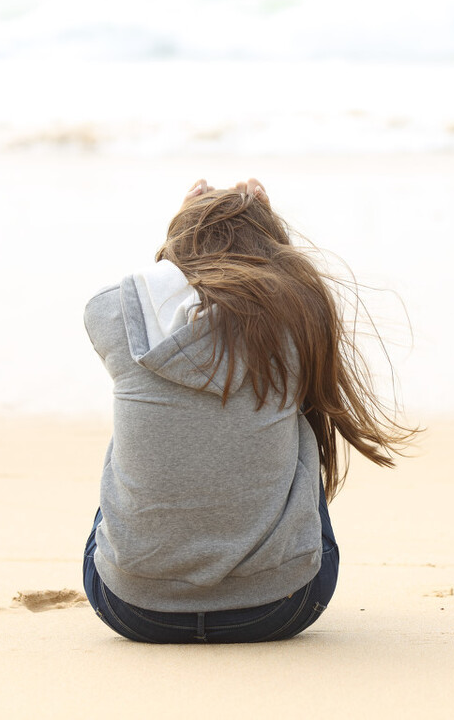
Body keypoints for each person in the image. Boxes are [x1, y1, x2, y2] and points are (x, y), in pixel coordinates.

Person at [82, 179, 414, 643]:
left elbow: (149, 297)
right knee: (297, 421)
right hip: (280, 607)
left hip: (133, 609)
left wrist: (180, 231)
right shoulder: (300, 313)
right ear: (271, 249)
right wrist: (269, 230)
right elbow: (291, 285)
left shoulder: (110, 312)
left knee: (140, 420)